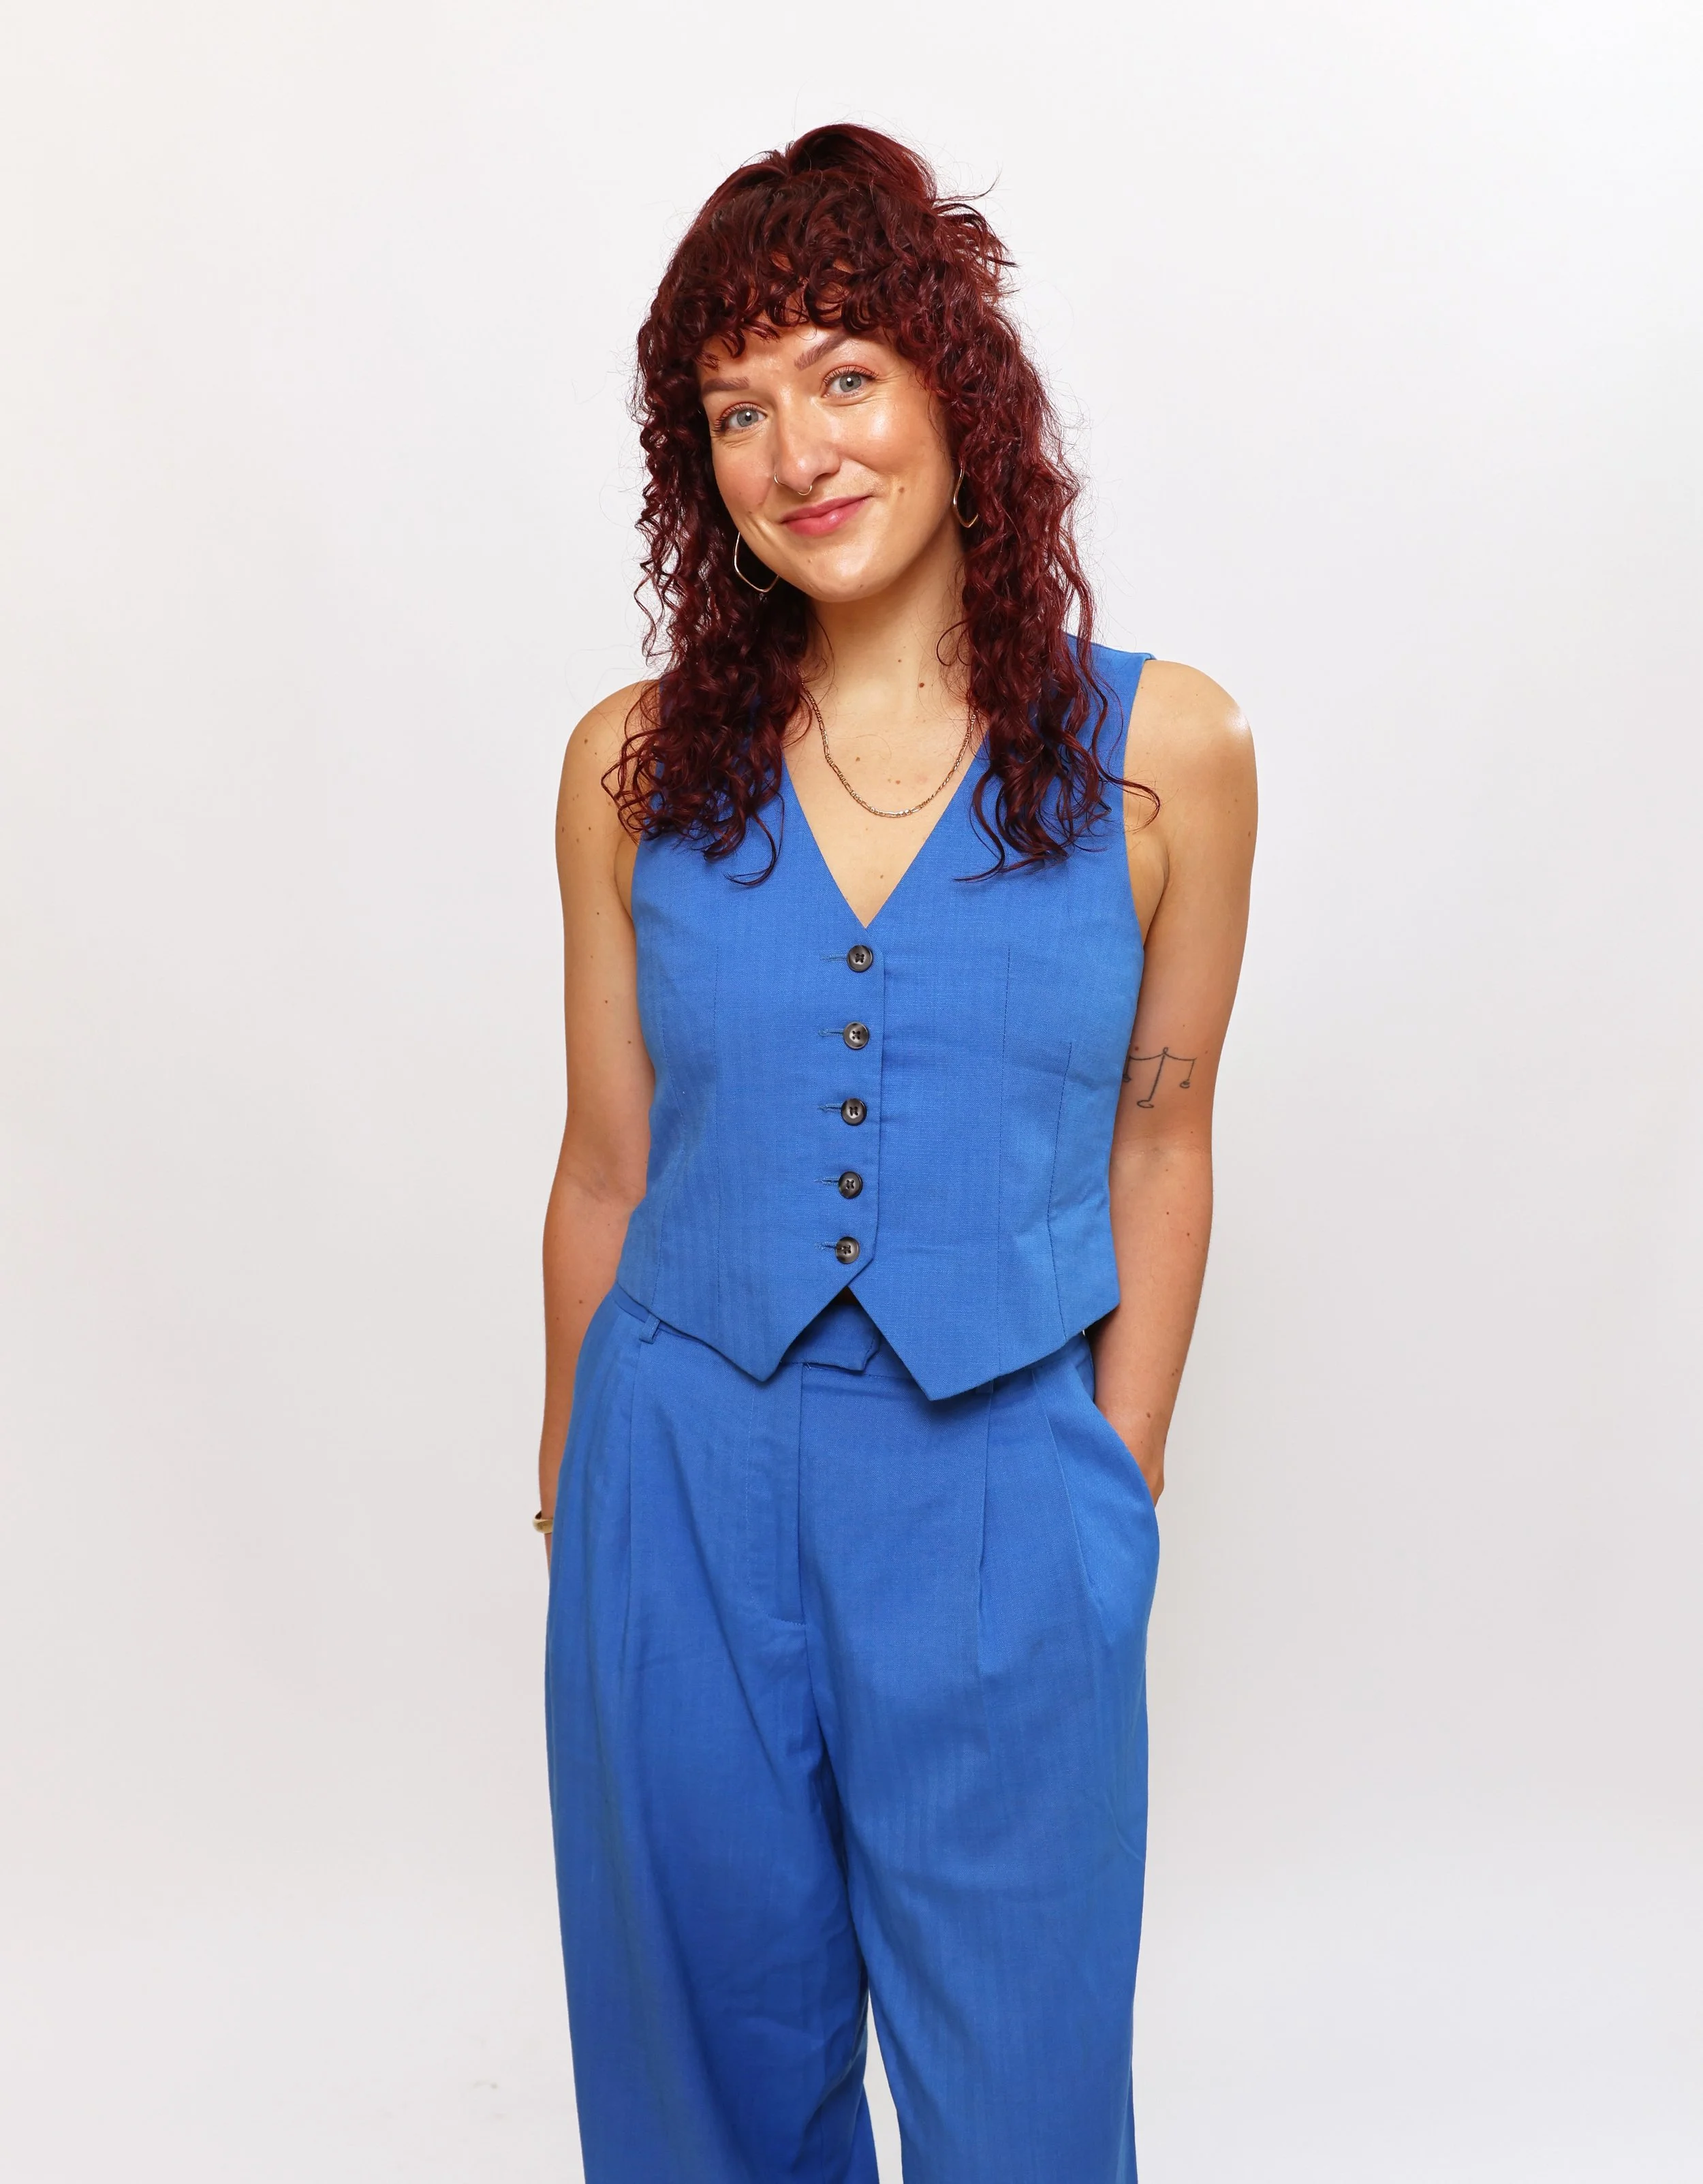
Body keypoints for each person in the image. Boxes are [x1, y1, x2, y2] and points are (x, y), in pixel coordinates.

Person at [535, 123, 1255, 2184]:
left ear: (960, 387)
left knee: (1022, 2086)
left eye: (843, 372)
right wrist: (577, 1494)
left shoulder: (1163, 750)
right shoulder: (624, 763)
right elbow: (603, 1159)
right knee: (701, 2072)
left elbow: (1164, 1126)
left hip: (1003, 1476)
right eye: (734, 408)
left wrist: (1110, 1480)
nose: (796, 451)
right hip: (673, 1474)